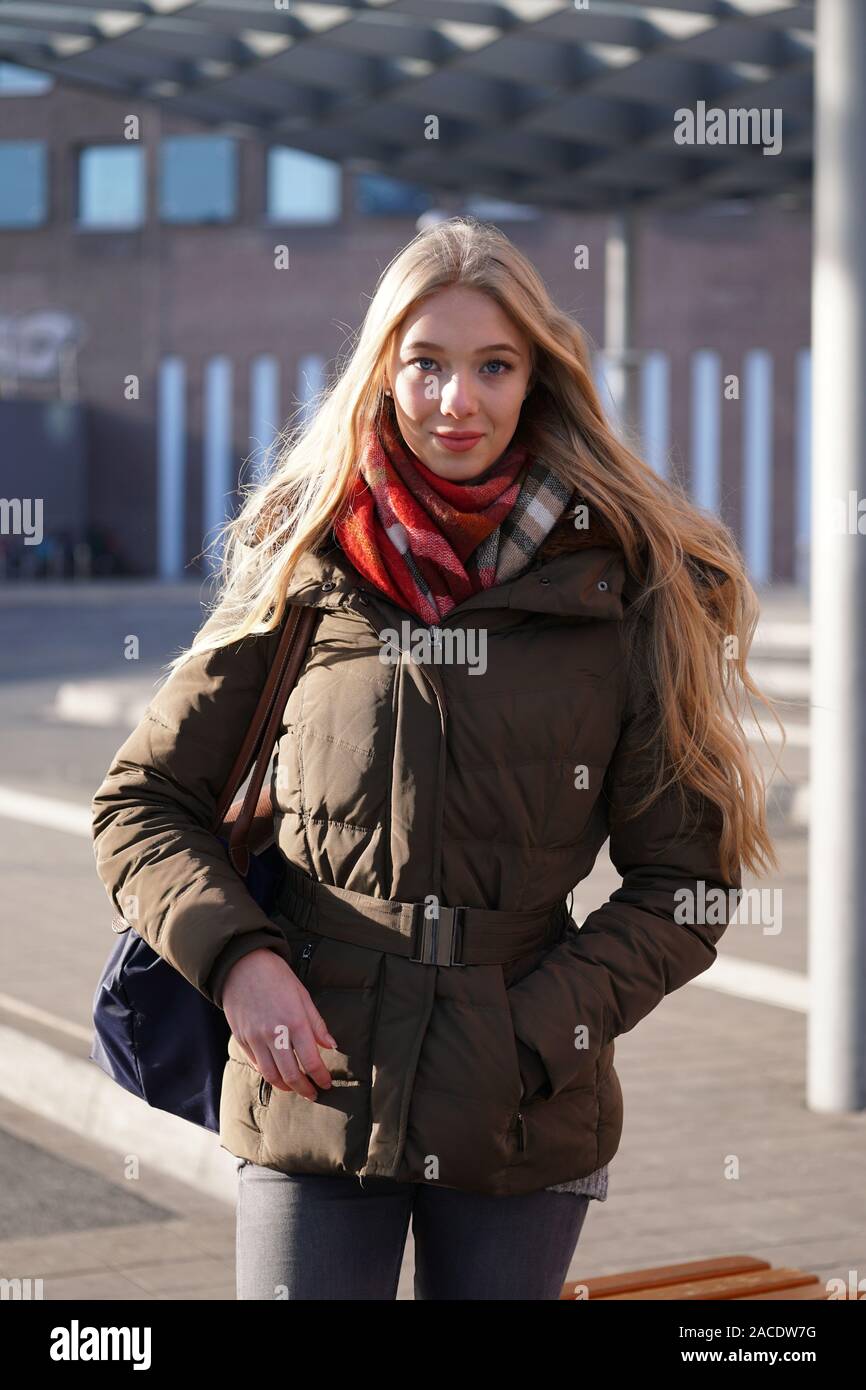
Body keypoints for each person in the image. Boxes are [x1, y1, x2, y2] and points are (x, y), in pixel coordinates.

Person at [91, 217, 779, 1301]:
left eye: (491, 366)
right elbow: (140, 801)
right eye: (427, 364)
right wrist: (239, 963)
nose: (457, 401)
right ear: (382, 374)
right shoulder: (304, 558)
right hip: (310, 1084)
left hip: (521, 1110)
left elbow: (686, 883)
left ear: (534, 380)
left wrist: (534, 1035)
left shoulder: (620, 587)